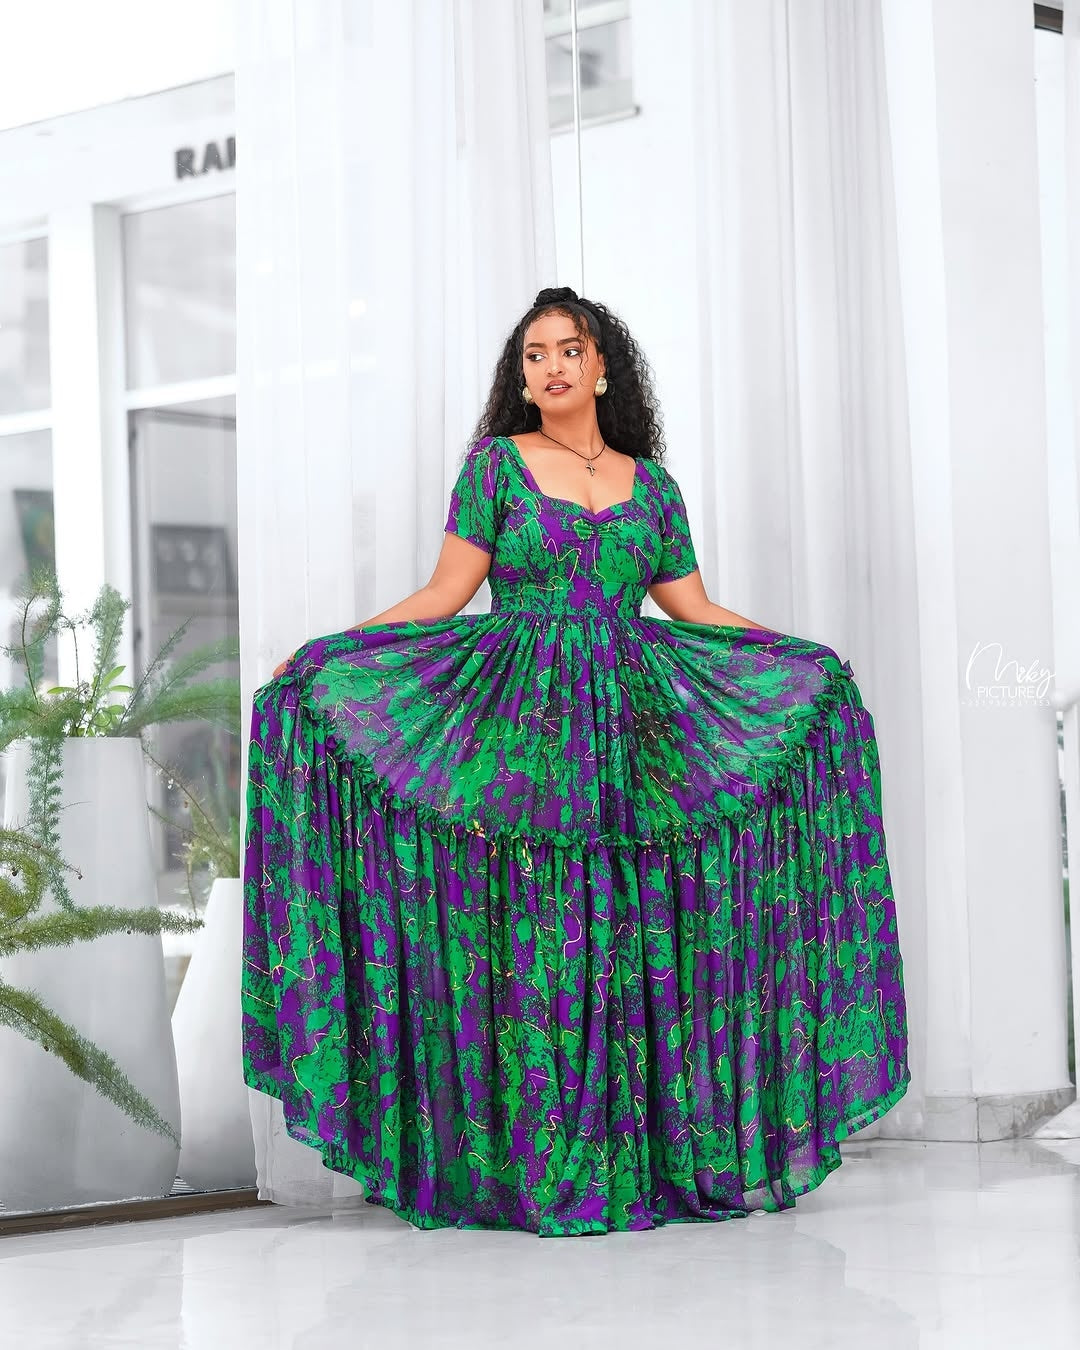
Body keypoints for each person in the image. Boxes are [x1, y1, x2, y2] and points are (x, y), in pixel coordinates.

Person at [242, 285, 909, 1237]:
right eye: (533, 356)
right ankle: (534, 1161)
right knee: (534, 931)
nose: (550, 367)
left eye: (568, 350)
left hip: (634, 729)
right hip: (520, 720)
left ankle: (635, 1158)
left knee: (625, 929)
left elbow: (696, 609)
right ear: (522, 377)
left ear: (603, 367)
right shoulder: (497, 467)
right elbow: (444, 595)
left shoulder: (656, 488)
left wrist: (800, 656)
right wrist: (330, 651)